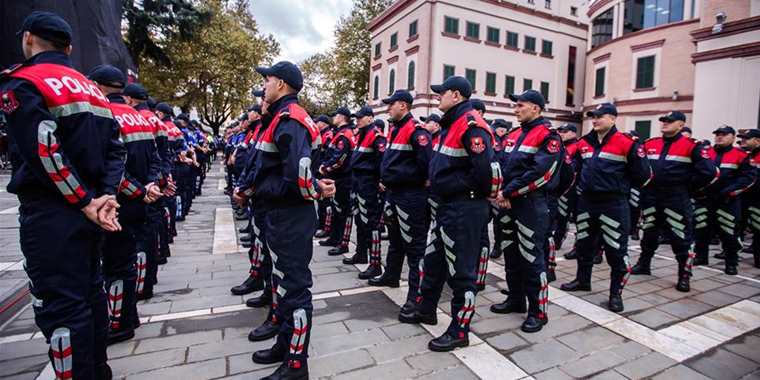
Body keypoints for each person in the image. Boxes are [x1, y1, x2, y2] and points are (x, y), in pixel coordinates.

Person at [0, 11, 127, 379]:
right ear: (69, 47)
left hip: (54, 212)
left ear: (27, 39)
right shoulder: (92, 91)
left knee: (62, 308)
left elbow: (45, 150)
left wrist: (87, 202)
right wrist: (103, 197)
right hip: (91, 209)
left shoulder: (25, 82)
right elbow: (115, 151)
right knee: (90, 295)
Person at [235, 61, 335, 380]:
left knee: (295, 291)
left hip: (290, 214)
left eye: (267, 80)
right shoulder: (279, 117)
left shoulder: (290, 119)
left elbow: (300, 177)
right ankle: (284, 345)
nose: (264, 85)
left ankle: (296, 364)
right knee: (282, 286)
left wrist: (316, 189)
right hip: (280, 211)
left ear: (280, 84)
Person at [405, 76, 497, 352]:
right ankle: (427, 309)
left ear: (455, 95)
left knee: (462, 273)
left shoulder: (471, 126)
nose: (438, 97)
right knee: (433, 262)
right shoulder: (452, 124)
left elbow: (482, 174)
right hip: (447, 206)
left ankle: (460, 330)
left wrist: (452, 186)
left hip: (464, 207)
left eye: (442, 93)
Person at [89, 65, 162, 345]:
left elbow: (113, 166)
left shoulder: (105, 115)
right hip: (141, 199)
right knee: (127, 259)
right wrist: (150, 186)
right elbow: (156, 158)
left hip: (118, 203)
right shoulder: (143, 119)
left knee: (116, 266)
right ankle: (128, 314)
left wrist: (137, 191)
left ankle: (118, 323)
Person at [559, 103, 652, 312]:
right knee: (583, 244)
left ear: (613, 119)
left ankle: (615, 294)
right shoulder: (584, 143)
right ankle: (582, 280)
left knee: (616, 250)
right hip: (587, 202)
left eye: (601, 116)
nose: (596, 119)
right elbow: (576, 170)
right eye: (594, 115)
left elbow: (644, 175)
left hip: (614, 204)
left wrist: (622, 188)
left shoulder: (627, 143)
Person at [490, 90, 562, 333]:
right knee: (511, 254)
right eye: (516, 105)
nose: (516, 109)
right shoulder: (515, 134)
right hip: (508, 202)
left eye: (521, 105)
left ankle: (538, 312)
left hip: (530, 204)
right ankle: (516, 299)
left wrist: (509, 192)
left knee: (532, 259)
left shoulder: (548, 136)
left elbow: (541, 173)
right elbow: (501, 163)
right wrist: (502, 192)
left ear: (536, 108)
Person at [631, 111, 719, 292]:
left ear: (681, 125)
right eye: (663, 120)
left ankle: (684, 275)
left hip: (676, 198)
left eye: (669, 121)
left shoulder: (692, 146)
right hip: (651, 197)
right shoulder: (650, 143)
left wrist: (689, 188)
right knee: (649, 232)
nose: (664, 123)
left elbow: (710, 173)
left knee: (681, 238)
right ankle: (644, 264)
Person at [371, 89, 432, 316]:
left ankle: (416, 296)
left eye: (391, 104)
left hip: (410, 197)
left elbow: (427, 165)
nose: (388, 108)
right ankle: (391, 276)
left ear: (403, 106)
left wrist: (406, 181)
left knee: (415, 248)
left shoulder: (417, 132)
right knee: (395, 240)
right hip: (394, 194)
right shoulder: (397, 130)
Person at [122, 83, 166, 301]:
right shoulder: (150, 121)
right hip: (150, 185)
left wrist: (140, 189)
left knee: (126, 250)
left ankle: (139, 289)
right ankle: (147, 281)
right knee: (149, 232)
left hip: (127, 193)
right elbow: (160, 156)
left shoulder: (121, 116)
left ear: (129, 99)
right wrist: (154, 182)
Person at [693, 126, 755, 274]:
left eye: (724, 135)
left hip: (728, 201)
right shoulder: (706, 153)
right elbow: (696, 172)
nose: (719, 137)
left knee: (729, 233)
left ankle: (731, 263)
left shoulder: (741, 155)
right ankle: (701, 257)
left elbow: (748, 178)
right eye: (717, 135)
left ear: (733, 138)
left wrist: (728, 192)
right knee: (701, 230)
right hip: (705, 199)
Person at [343, 105, 387, 280]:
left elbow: (382, 161)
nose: (357, 120)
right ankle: (361, 253)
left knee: (372, 224)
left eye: (361, 117)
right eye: (357, 118)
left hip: (369, 184)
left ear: (370, 118)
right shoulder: (361, 135)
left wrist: (381, 181)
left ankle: (375, 264)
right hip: (358, 182)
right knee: (360, 221)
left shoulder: (376, 137)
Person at [319, 106, 356, 255]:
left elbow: (340, 158)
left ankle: (343, 242)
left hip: (343, 178)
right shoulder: (339, 133)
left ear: (342, 117)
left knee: (343, 211)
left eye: (336, 115)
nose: (334, 118)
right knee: (335, 209)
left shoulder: (345, 134)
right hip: (337, 177)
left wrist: (326, 168)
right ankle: (334, 238)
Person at [738, 129, 760, 268]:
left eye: (747, 138)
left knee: (758, 228)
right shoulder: (746, 155)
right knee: (738, 225)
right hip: (743, 197)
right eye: (743, 138)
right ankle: (732, 253)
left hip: (758, 199)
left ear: (757, 141)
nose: (743, 140)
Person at [314, 114, 335, 239]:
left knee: (325, 203)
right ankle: (320, 225)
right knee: (320, 201)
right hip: (319, 171)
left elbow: (328, 154)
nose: (316, 124)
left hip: (325, 173)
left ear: (323, 123)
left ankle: (325, 227)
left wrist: (325, 167)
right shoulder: (321, 135)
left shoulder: (328, 136)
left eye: (318, 122)